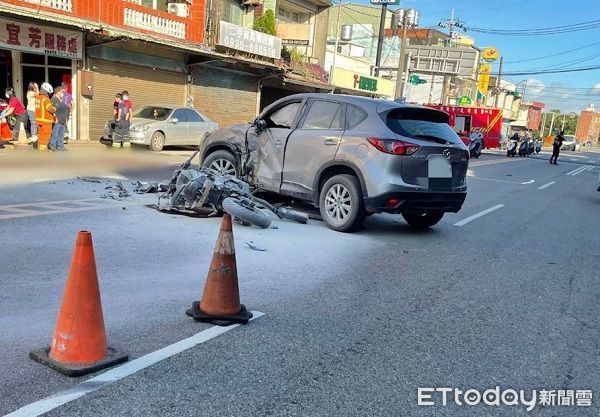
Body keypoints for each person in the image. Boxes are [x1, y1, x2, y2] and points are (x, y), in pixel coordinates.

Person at [35, 83, 56, 151]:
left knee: (41, 136)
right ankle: (43, 152)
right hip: (46, 122)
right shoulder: (46, 99)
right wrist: (55, 107)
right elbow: (50, 109)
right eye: (49, 93)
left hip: (39, 121)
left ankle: (40, 150)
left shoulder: (38, 97)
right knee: (45, 136)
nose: (49, 94)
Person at [49, 85, 69, 151]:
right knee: (55, 134)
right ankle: (53, 146)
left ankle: (60, 146)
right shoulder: (53, 99)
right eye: (62, 92)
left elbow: (65, 108)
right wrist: (55, 117)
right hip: (57, 120)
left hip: (62, 120)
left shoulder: (62, 99)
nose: (63, 93)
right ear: (58, 92)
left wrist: (66, 117)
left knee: (61, 135)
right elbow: (52, 109)